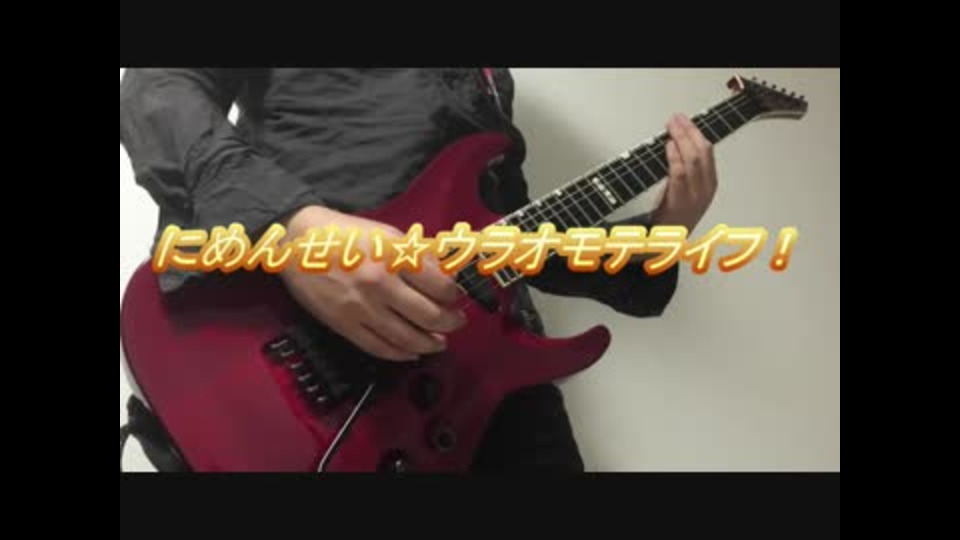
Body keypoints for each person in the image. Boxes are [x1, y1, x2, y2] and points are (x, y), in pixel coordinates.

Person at [119, 68, 718, 472]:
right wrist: (293, 229)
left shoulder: (488, 75)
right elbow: (156, 88)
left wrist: (663, 230)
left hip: (486, 395)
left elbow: (516, 241)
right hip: (303, 370)